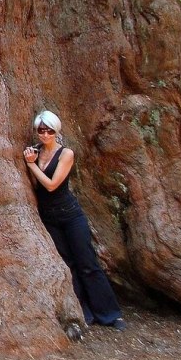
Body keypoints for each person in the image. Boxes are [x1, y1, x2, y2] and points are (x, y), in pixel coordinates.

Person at [23, 110, 126, 330]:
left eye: (49, 130)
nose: (45, 134)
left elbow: (51, 185)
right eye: (41, 130)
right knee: (67, 264)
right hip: (49, 218)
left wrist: (31, 165)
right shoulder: (35, 152)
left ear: (56, 131)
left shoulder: (65, 154)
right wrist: (32, 161)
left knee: (87, 263)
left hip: (71, 216)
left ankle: (110, 314)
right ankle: (84, 311)